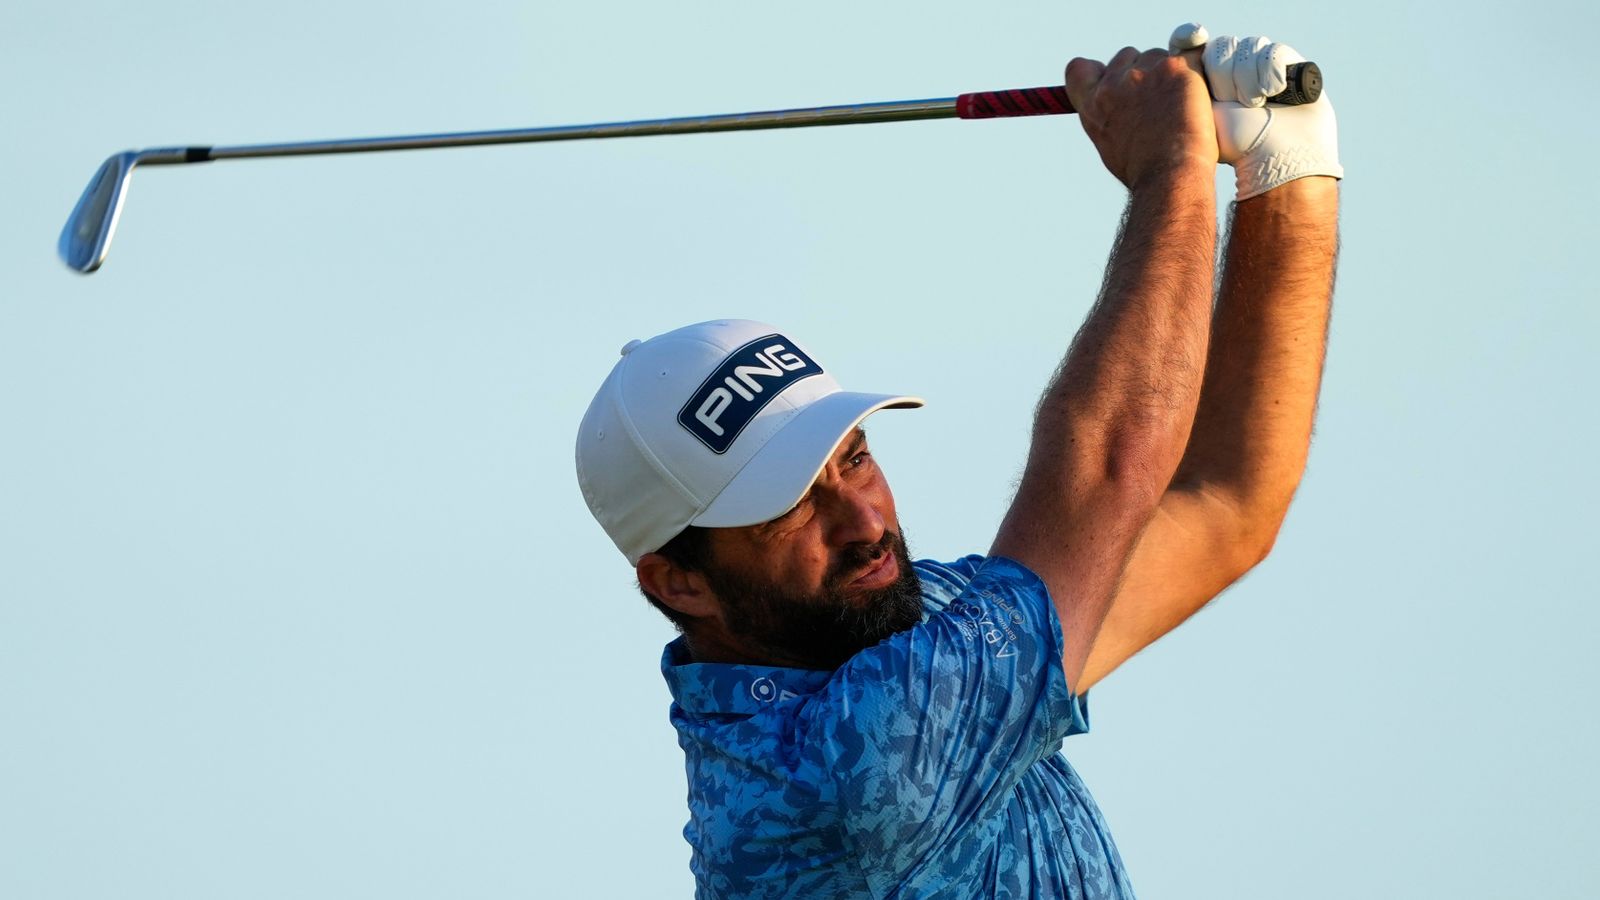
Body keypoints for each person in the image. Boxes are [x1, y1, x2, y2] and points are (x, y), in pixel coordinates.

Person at [574, 24, 1340, 899]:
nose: (864, 523)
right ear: (680, 583)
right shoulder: (842, 772)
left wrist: (1286, 166)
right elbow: (1109, 467)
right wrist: (1172, 168)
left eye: (853, 460)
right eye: (788, 505)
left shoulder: (899, 621)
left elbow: (1224, 508)